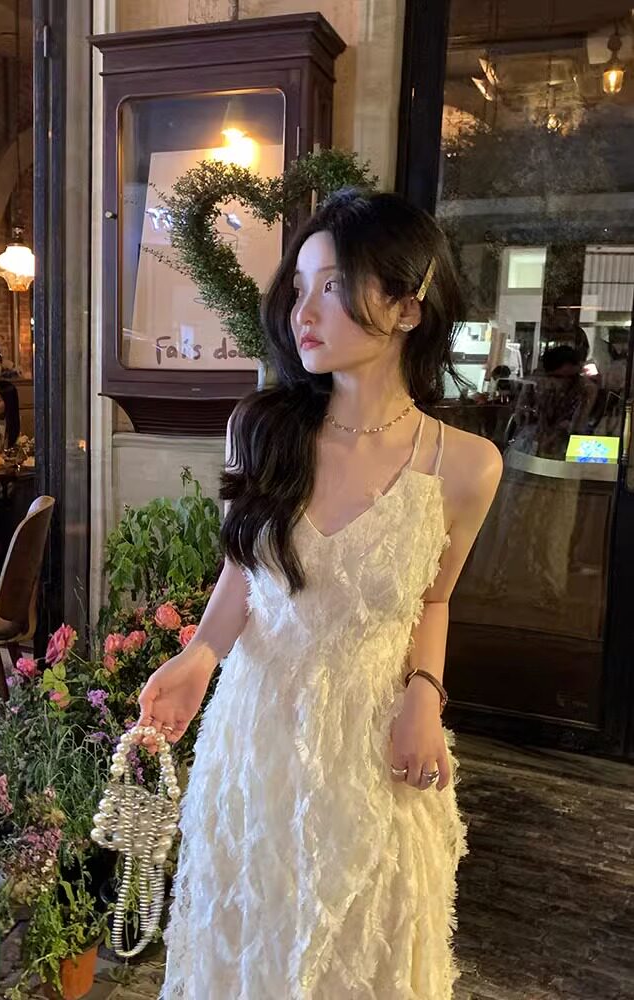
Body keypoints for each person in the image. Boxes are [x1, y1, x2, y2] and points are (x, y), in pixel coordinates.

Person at [135, 190, 502, 998]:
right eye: (298, 287)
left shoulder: (466, 466)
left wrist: (424, 693)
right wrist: (199, 656)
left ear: (407, 306)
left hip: (373, 745)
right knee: (250, 946)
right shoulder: (261, 430)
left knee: (365, 956)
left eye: (333, 286)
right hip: (257, 736)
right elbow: (244, 572)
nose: (303, 311)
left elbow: (433, 599)